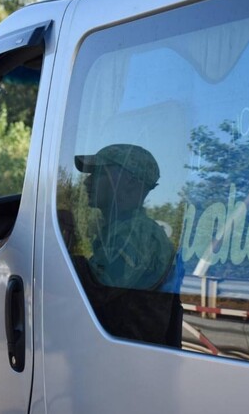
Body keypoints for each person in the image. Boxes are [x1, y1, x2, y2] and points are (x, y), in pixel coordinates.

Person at [72, 143, 182, 346]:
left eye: (99, 173)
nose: (87, 182)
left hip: (130, 362)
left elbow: (89, 291)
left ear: (129, 182)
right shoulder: (123, 230)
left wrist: (64, 239)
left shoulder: (136, 234)